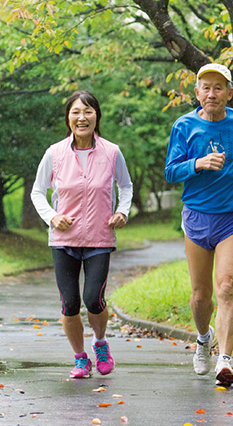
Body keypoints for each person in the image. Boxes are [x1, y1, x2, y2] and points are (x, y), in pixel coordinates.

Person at [164, 63, 233, 386]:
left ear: (229, 93)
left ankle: (225, 359)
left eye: (219, 87)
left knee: (226, 287)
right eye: (206, 87)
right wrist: (197, 164)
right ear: (197, 93)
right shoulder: (184, 126)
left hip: (231, 218)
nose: (212, 93)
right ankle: (202, 337)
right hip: (196, 217)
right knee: (201, 296)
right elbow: (170, 172)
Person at [31, 90, 133, 379]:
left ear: (96, 116)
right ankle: (80, 359)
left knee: (94, 299)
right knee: (70, 303)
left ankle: (100, 343)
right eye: (76, 112)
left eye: (88, 111)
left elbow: (125, 186)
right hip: (63, 239)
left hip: (100, 237)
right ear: (68, 118)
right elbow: (38, 192)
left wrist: (122, 212)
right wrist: (52, 217)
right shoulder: (54, 153)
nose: (82, 117)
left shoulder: (111, 152)